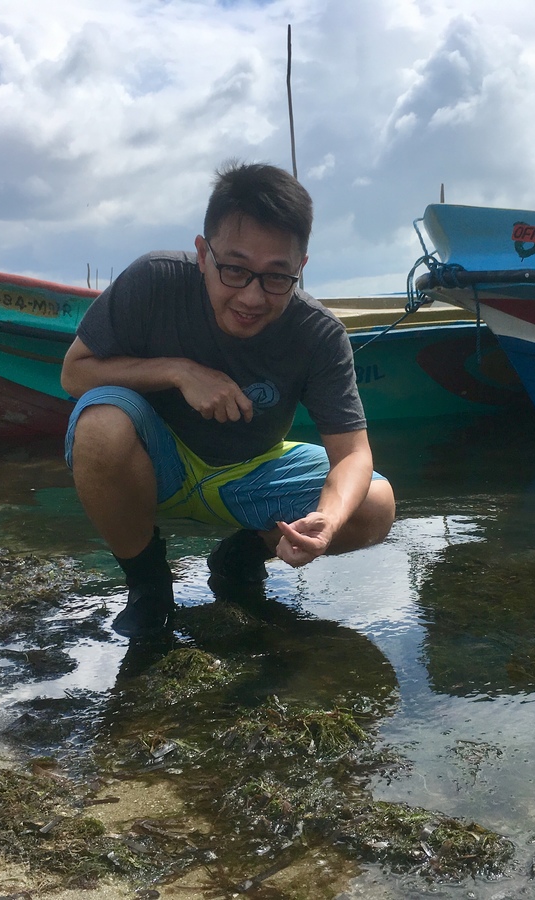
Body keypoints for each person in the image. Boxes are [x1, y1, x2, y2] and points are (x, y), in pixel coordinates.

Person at [61, 161, 396, 639]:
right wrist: (179, 372)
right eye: (235, 270)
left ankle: (242, 554)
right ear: (202, 254)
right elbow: (74, 373)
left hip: (248, 471)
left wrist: (330, 519)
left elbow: (354, 454)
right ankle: (148, 584)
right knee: (100, 424)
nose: (252, 297)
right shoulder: (153, 281)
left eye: (276, 277)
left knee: (374, 504)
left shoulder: (319, 334)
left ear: (300, 268)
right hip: (161, 461)